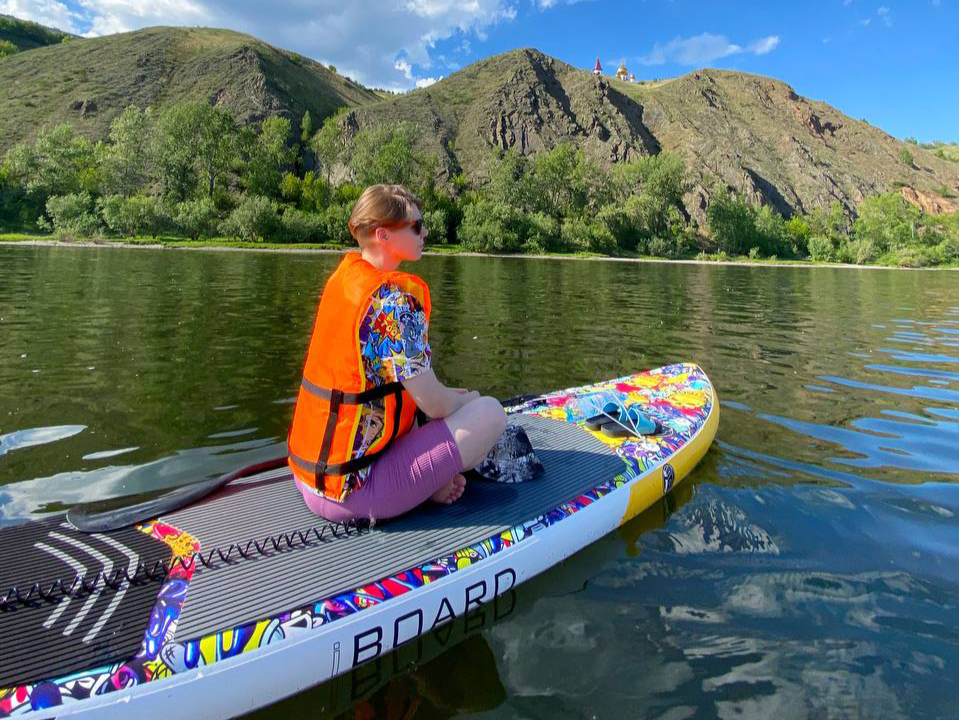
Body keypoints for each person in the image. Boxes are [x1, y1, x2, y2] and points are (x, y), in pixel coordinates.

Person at [287, 184, 507, 523]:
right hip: (353, 493)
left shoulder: (344, 280)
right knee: (490, 411)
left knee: (450, 400)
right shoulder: (393, 305)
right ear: (383, 235)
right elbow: (435, 405)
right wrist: (470, 399)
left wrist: (450, 399)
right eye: (416, 226)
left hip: (308, 478)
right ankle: (422, 488)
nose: (426, 232)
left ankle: (425, 484)